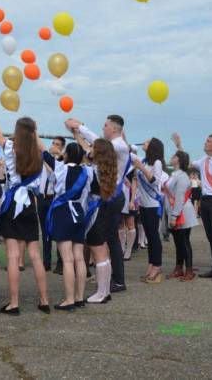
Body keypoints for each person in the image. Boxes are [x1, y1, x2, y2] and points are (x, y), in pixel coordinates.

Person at [0, 99, 49, 315]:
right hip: (30, 204)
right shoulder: (39, 154)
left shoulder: (10, 148)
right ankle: (44, 300)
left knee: (12, 256)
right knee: (35, 256)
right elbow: (41, 146)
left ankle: (14, 302)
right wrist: (34, 130)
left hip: (12, 205)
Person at [69, 115, 132, 294]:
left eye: (105, 125)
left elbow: (97, 145)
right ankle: (109, 276)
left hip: (112, 197)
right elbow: (91, 150)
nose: (103, 128)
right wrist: (76, 134)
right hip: (108, 196)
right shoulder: (114, 146)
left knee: (108, 238)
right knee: (107, 237)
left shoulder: (118, 145)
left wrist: (80, 126)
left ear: (113, 129)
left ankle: (117, 280)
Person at [173, 133, 212, 282]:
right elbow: (190, 163)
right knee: (211, 236)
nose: (205, 143)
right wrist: (179, 145)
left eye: (209, 141)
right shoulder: (204, 160)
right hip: (205, 200)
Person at [43, 141, 92, 309]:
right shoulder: (87, 172)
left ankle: (69, 300)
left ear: (67, 154)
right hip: (79, 213)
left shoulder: (60, 168)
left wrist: (34, 132)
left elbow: (43, 152)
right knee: (79, 257)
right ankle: (79, 298)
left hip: (63, 212)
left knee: (67, 259)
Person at [132, 138, 165, 284]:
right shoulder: (144, 161)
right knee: (149, 238)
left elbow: (156, 181)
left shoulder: (156, 162)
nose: (143, 144)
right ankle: (151, 264)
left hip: (152, 205)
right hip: (143, 205)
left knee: (153, 237)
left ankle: (157, 266)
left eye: (146, 142)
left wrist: (142, 168)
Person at [164, 151, 199, 281]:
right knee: (178, 242)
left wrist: (174, 216)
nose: (171, 157)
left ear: (179, 160)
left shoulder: (182, 176)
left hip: (182, 212)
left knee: (184, 242)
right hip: (175, 211)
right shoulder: (173, 174)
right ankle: (178, 268)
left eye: (174, 156)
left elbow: (180, 197)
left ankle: (189, 270)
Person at [39, 136, 65, 273]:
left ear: (62, 148)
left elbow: (56, 177)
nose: (54, 146)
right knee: (45, 232)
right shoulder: (43, 159)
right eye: (53, 143)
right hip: (42, 198)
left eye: (57, 145)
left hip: (54, 199)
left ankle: (61, 262)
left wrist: (55, 157)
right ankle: (46, 262)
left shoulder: (61, 163)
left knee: (58, 231)